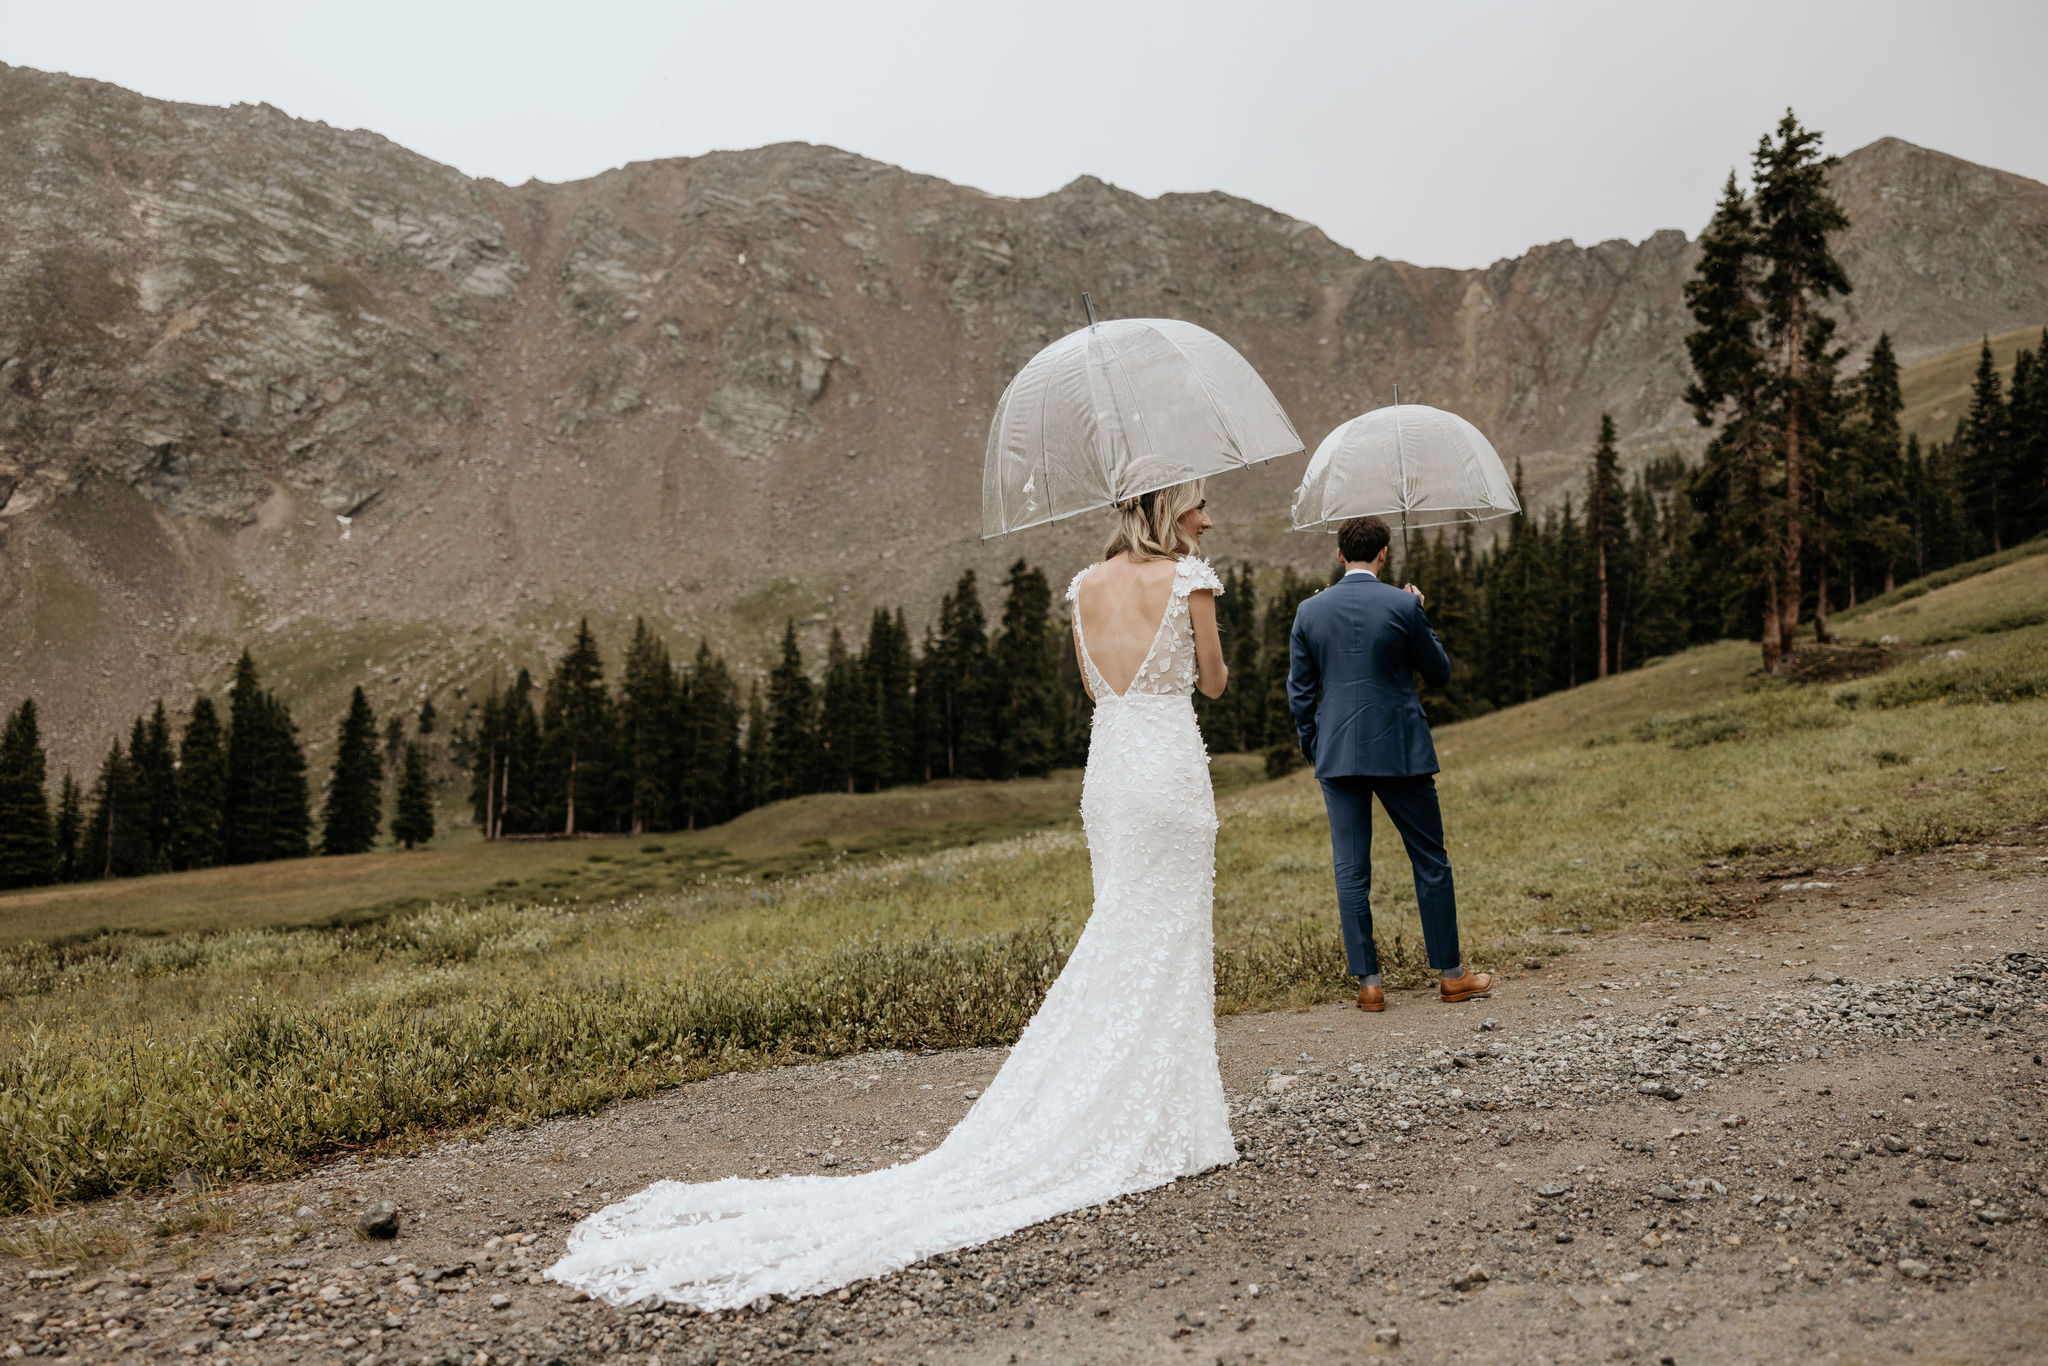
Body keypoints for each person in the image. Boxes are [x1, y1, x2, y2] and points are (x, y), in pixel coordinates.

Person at [547, 477, 1237, 1309]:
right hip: (1167, 771)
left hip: (1112, 776)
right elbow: (1214, 685)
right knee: (1161, 937)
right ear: (1169, 510)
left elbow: (1095, 692)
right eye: (1199, 502)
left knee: (1123, 931)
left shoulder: (1085, 587)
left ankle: (1133, 1109)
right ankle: (1171, 1122)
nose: (1209, 516)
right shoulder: (1192, 580)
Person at [1286, 515, 1493, 1011]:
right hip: (1401, 751)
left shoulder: (1308, 611)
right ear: (1383, 555)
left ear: (1340, 556)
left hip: (1337, 755)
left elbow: (1300, 693)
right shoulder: (1403, 604)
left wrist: (1316, 746)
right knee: (1430, 862)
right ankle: (1451, 976)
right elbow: (1438, 672)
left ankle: (1370, 985)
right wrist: (1418, 611)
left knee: (1351, 871)